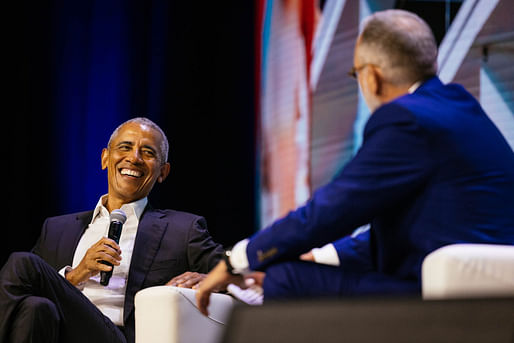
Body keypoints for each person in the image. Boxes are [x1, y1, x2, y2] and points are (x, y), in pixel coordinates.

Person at [196, 9, 514, 314]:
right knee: (298, 270)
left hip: (445, 299)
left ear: (372, 77)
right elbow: (407, 231)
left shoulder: (405, 119)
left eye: (355, 73)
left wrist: (237, 259)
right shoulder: (459, 105)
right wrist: (322, 255)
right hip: (487, 290)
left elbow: (334, 208)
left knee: (285, 279)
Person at [0, 117, 224, 343]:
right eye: (125, 147)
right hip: (57, 332)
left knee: (22, 263)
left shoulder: (183, 229)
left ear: (162, 172)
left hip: (118, 336)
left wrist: (209, 278)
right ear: (105, 158)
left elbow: (238, 279)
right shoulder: (57, 229)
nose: (134, 158)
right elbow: (24, 292)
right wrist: (77, 274)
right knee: (34, 307)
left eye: (147, 152)